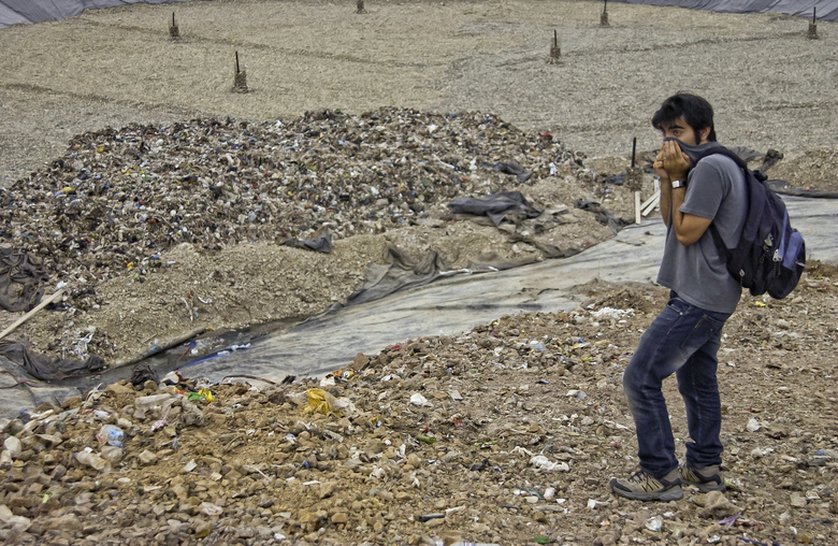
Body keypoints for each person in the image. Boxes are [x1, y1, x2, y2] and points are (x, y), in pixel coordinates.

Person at [610, 93, 748, 501]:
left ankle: (660, 473)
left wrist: (676, 176)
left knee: (640, 376)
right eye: (665, 134)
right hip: (703, 292)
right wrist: (668, 177)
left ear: (703, 131)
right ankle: (705, 468)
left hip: (700, 296)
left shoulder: (713, 168)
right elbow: (673, 219)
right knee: (696, 379)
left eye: (679, 132)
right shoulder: (699, 167)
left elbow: (688, 233)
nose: (671, 141)